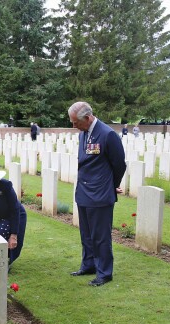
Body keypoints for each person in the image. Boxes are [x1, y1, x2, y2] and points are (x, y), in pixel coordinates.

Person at [68, 101, 126, 286]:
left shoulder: (107, 134)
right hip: (84, 191)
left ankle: (104, 272)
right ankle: (89, 265)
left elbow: (119, 164)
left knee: (100, 236)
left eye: (75, 122)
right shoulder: (83, 134)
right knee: (86, 234)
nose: (73, 126)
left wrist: (112, 185)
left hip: (100, 194)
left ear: (87, 118)